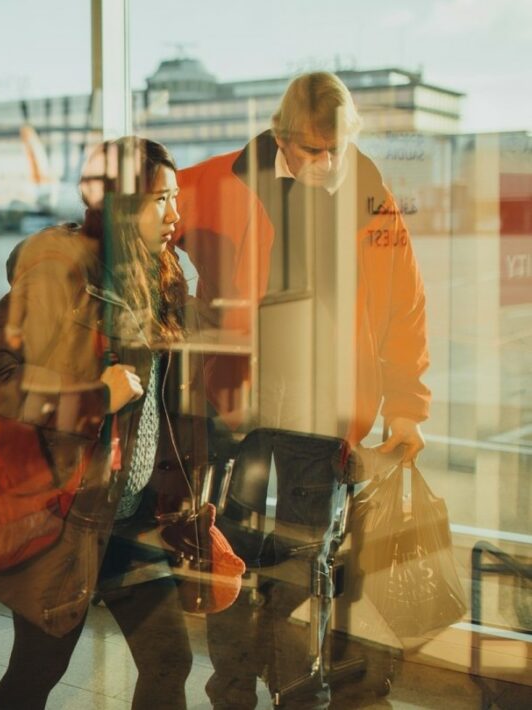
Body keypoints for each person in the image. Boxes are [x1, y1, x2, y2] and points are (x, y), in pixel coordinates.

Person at [172, 72, 432, 708]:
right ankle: (233, 687)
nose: (325, 163)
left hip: (323, 413)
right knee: (230, 553)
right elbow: (143, 219)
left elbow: (406, 306)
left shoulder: (370, 194)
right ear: (283, 138)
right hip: (240, 408)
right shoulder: (221, 180)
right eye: (311, 151)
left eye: (336, 149)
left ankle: (293, 684)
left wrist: (407, 408)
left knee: (303, 559)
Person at [0, 137, 208, 709]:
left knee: (170, 660)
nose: (175, 214)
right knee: (35, 673)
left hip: (130, 516)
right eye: (159, 200)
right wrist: (95, 396)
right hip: (67, 520)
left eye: (176, 198)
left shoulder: (160, 275)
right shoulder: (63, 276)